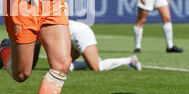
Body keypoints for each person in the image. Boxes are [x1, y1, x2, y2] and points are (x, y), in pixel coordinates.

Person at [8, 19, 141, 72]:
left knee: (96, 67)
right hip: (69, 38)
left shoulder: (36, 30)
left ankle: (130, 60)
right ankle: (92, 60)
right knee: (61, 68)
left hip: (80, 33)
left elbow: (32, 61)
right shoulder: (35, 30)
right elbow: (32, 63)